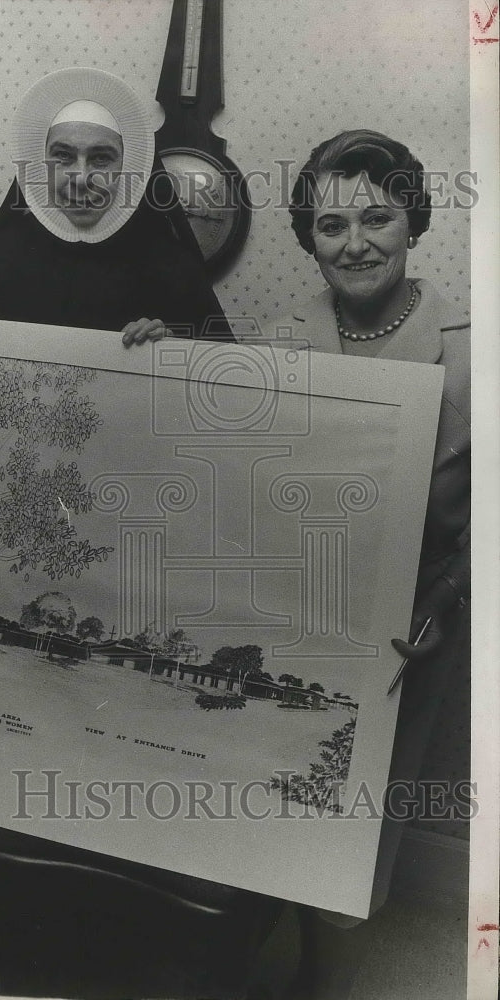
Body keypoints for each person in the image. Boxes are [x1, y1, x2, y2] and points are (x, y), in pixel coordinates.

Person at [267, 129, 469, 998]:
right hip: (291, 611)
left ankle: (325, 976)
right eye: (330, 225)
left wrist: (450, 598)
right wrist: (161, 354)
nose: (354, 244)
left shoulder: (469, 350)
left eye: (377, 218)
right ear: (308, 237)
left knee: (353, 827)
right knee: (271, 800)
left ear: (413, 221)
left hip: (406, 628)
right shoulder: (279, 337)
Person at [0, 65, 232, 385]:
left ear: (129, 165)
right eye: (63, 157)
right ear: (41, 166)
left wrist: (172, 353)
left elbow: (227, 392)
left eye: (101, 158)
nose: (81, 178)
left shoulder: (171, 265)